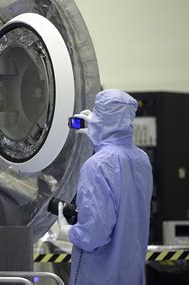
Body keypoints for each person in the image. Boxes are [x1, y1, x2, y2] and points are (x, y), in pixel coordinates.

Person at [58, 89, 153, 285]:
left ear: (101, 117)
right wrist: (98, 134)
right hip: (131, 275)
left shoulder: (96, 166)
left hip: (99, 278)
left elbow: (94, 234)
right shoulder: (142, 160)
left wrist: (68, 232)